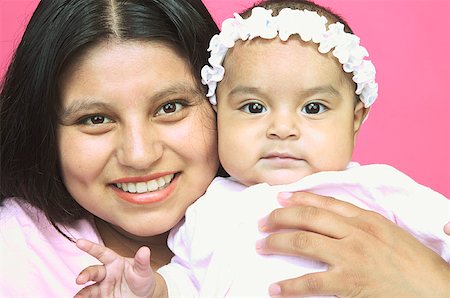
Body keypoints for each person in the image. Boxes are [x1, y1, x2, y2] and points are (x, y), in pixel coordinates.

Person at [75, 0, 450, 297]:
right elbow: (191, 281)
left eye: (313, 108)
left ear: (355, 118)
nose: (282, 129)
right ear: (217, 112)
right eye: (254, 108)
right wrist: (154, 289)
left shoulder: (378, 189)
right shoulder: (206, 208)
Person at [0, 0, 220, 296]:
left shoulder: (292, 209)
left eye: (170, 107)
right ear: (44, 130)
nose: (139, 155)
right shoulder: (12, 255)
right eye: (96, 119)